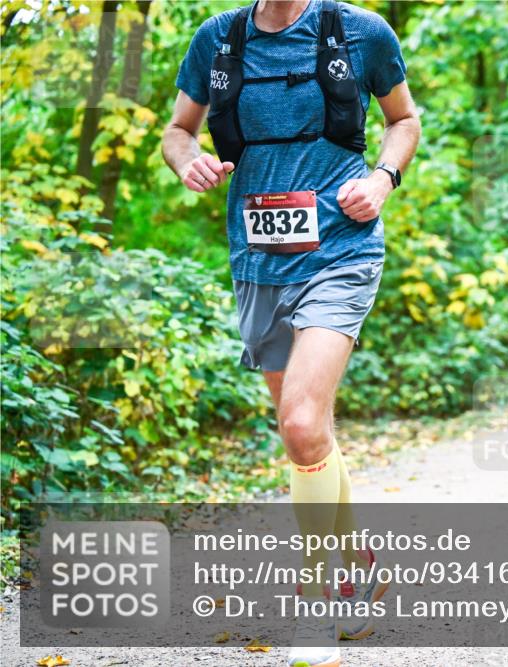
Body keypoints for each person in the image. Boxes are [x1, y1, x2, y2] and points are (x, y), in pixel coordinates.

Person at [163, 1, 420, 665]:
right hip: (258, 259)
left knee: (302, 423)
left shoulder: (361, 32)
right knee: (306, 431)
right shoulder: (218, 39)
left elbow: (403, 120)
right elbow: (177, 132)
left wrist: (382, 180)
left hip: (341, 248)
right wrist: (185, 161)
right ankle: (358, 559)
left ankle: (317, 599)